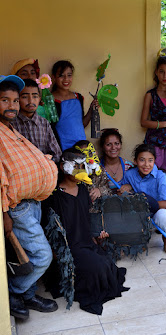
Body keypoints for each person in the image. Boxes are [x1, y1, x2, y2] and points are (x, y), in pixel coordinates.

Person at [42, 149, 129, 315]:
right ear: (63, 166)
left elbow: (86, 219)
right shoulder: (54, 195)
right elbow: (49, 228)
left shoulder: (83, 190)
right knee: (97, 269)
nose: (79, 170)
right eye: (75, 166)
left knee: (108, 263)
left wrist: (97, 236)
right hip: (69, 249)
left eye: (82, 166)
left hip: (86, 242)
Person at [0, 75, 58, 320]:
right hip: (17, 208)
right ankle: (15, 292)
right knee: (43, 255)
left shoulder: (9, 127)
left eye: (15, 100)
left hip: (33, 203)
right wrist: (4, 214)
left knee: (28, 255)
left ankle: (27, 294)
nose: (12, 105)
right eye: (5, 100)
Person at [118, 143, 166, 255]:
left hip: (156, 211)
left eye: (150, 160)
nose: (146, 164)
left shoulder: (160, 176)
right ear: (135, 161)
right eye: (142, 160)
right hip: (139, 213)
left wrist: (148, 201)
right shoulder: (130, 175)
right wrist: (127, 188)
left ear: (154, 161)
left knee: (163, 216)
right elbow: (122, 196)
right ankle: (140, 238)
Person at [141, 55, 166, 191]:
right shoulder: (150, 95)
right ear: (156, 73)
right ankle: (153, 209)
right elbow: (143, 122)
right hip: (154, 142)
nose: (165, 75)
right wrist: (165, 124)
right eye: (162, 71)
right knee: (153, 175)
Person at [11, 79, 62, 163]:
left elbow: (56, 153)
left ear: (39, 99)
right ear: (17, 99)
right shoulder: (11, 123)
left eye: (35, 96)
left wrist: (46, 161)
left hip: (44, 169)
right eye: (25, 97)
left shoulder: (44, 123)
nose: (31, 101)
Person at [51, 60, 97, 151]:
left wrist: (92, 108)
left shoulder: (78, 97)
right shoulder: (49, 100)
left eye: (69, 75)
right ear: (54, 77)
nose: (66, 79)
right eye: (61, 75)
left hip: (82, 148)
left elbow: (82, 124)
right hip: (61, 149)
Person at [74, 140, 112, 210]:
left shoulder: (100, 170)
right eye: (84, 156)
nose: (89, 159)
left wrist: (100, 190)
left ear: (96, 153)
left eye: (90, 154)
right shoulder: (76, 176)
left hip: (102, 211)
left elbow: (108, 190)